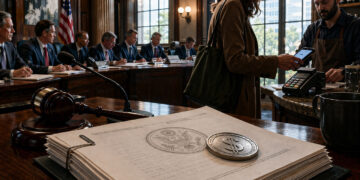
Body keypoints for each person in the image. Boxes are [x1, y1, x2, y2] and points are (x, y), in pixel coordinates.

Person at [208, 0, 301, 118]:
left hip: (229, 96)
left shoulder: (228, 5)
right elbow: (235, 61)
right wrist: (276, 61)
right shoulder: (232, 5)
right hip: (234, 99)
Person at [298, 0, 360, 83]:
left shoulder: (355, 26)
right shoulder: (313, 29)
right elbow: (301, 59)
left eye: (324, 2)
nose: (320, 8)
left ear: (338, 1)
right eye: (317, 4)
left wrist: (343, 72)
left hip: (346, 92)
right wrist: (291, 61)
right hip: (318, 88)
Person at [0, 11, 32, 79]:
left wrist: (25, 69)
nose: (13, 31)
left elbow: (21, 64)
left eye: (13, 27)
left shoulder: (10, 46)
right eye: (9, 27)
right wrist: (13, 73)